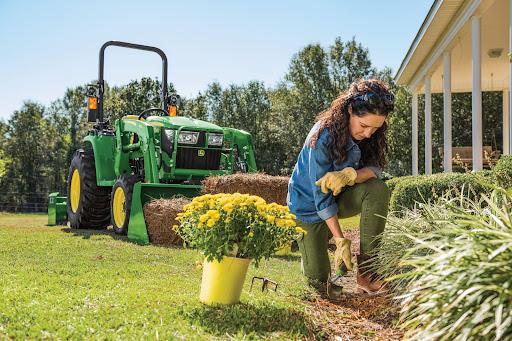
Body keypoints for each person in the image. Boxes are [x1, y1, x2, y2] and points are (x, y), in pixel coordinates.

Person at [287, 79, 394, 298]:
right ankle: (309, 247)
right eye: (364, 126)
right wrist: (340, 240)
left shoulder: (370, 136)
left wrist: (351, 175)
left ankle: (368, 273)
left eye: (376, 128)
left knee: (377, 189)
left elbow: (376, 170)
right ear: (350, 110)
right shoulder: (321, 138)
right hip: (309, 209)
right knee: (323, 288)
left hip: (341, 198)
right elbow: (321, 198)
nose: (368, 134)